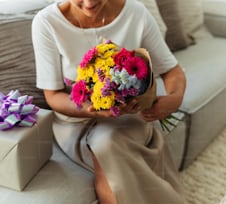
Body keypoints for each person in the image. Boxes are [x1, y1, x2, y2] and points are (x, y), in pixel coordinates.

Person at [32, 0, 187, 203]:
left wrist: (174, 99)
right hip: (75, 120)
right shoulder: (46, 22)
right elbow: (53, 96)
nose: (88, 3)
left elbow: (171, 70)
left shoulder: (135, 13)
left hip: (129, 116)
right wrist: (93, 110)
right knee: (106, 144)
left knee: (108, 141)